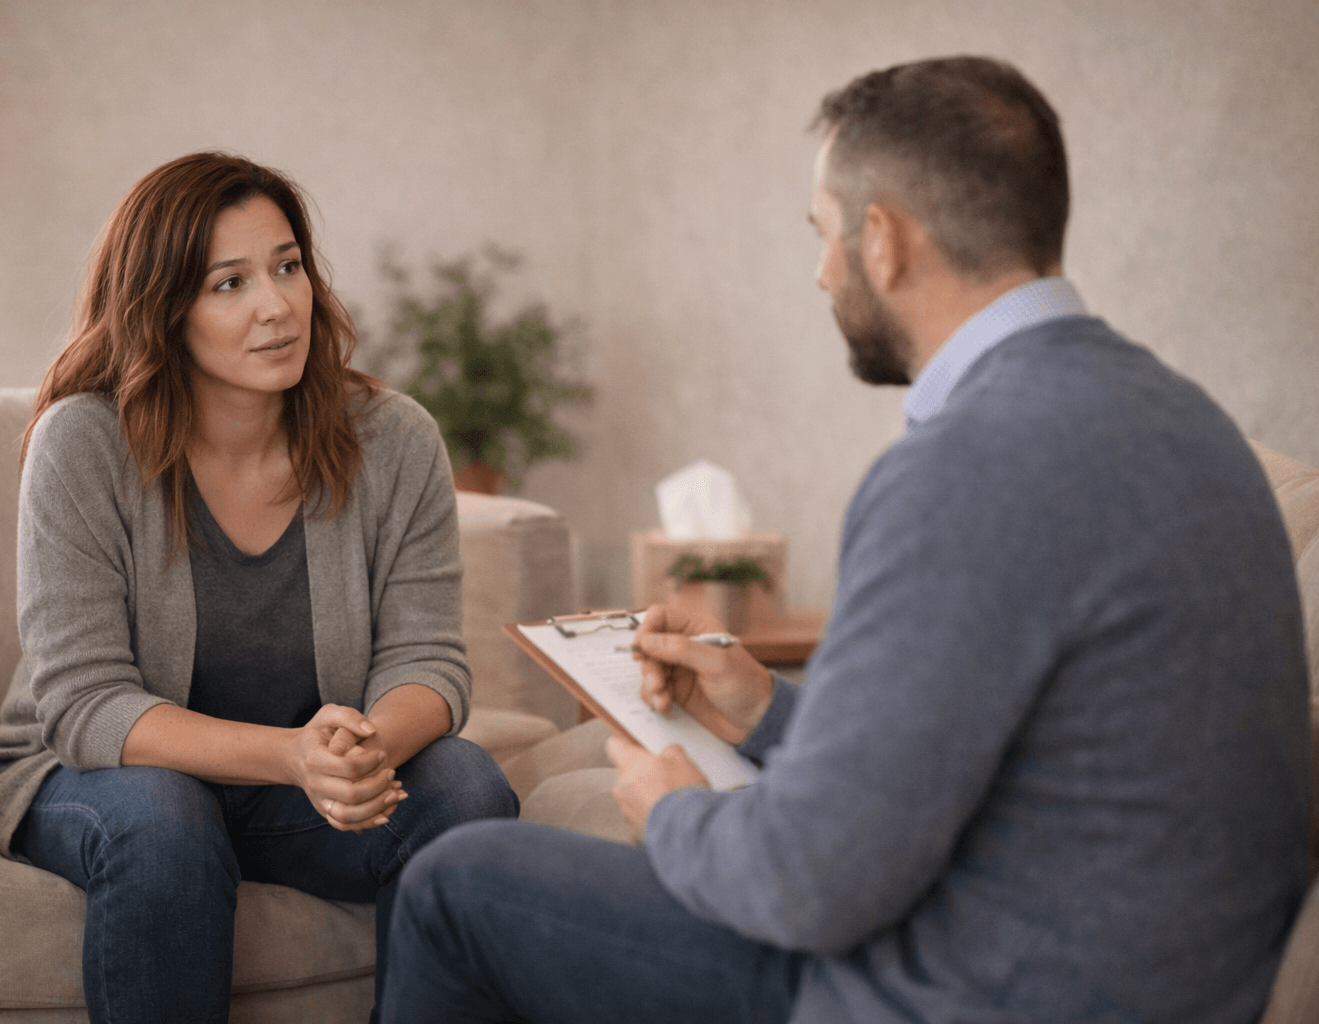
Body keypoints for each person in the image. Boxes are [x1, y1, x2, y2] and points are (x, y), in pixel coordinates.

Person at [380, 56, 1311, 1024]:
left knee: (456, 881)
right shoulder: (1193, 425)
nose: (821, 271)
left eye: (823, 233)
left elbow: (806, 883)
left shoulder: (962, 467)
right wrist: (767, 708)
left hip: (976, 988)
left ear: (884, 239)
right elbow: (987, 746)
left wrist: (676, 810)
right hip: (1170, 973)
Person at [0, 152, 518, 1023]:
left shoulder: (395, 439)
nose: (276, 305)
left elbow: (428, 658)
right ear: (162, 309)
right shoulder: (81, 444)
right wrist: (291, 756)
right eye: (229, 283)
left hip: (300, 785)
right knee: (164, 819)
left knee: (466, 789)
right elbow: (83, 702)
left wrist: (357, 750)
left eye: (288, 266)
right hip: (94, 773)